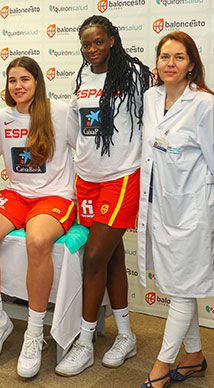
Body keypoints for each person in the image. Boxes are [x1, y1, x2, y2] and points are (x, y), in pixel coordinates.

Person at [55, 15, 152, 376]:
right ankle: (125, 335)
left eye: (98, 41)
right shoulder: (81, 78)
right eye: (86, 44)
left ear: (112, 39)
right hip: (88, 179)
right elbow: (74, 131)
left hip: (122, 177)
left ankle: (84, 341)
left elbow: (151, 121)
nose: (92, 49)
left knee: (93, 256)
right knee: (109, 257)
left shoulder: (136, 75)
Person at [0, 56, 76, 378]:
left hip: (55, 195)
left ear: (37, 81)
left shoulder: (59, 112)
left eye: (24, 80)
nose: (18, 86)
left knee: (38, 238)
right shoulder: (2, 117)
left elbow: (85, 149)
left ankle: (33, 332)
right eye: (12, 80)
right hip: (17, 194)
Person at [137, 31, 213, 388]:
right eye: (165, 56)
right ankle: (195, 356)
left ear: (191, 65)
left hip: (193, 212)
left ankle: (162, 365)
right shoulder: (151, 98)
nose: (170, 63)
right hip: (161, 208)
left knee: (181, 289)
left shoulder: (205, 106)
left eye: (178, 57)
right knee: (181, 284)